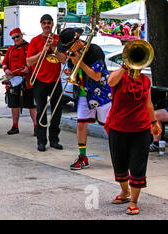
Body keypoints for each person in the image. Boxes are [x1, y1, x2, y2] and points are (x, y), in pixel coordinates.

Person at [105, 52, 161, 215]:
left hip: (141, 129)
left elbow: (149, 103)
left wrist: (153, 122)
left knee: (138, 165)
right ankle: (124, 192)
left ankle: (134, 201)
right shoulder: (119, 77)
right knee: (119, 163)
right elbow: (110, 81)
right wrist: (124, 66)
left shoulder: (145, 80)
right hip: (118, 127)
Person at [57, 27, 112, 170]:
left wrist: (79, 63)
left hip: (101, 93)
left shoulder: (94, 50)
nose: (68, 49)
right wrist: (70, 70)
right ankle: (82, 157)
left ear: (76, 41)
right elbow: (71, 70)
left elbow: (96, 76)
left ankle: (119, 155)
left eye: (69, 46)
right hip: (82, 93)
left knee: (109, 127)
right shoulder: (72, 53)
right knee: (81, 125)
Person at [26, 14, 66, 152]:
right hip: (40, 80)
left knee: (57, 112)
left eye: (49, 22)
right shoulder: (35, 40)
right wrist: (43, 51)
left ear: (53, 24)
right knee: (41, 111)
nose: (47, 25)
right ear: (41, 24)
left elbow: (63, 60)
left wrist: (54, 47)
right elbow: (29, 61)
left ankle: (54, 139)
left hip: (56, 80)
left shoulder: (58, 40)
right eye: (44, 23)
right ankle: (41, 141)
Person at [2, 27, 37, 135]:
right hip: (14, 81)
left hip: (28, 81)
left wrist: (29, 69)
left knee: (32, 105)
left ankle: (37, 127)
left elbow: (36, 62)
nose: (16, 39)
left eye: (17, 36)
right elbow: (4, 63)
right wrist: (6, 70)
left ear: (21, 35)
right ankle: (15, 126)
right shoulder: (11, 49)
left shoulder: (30, 47)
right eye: (13, 38)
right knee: (14, 105)